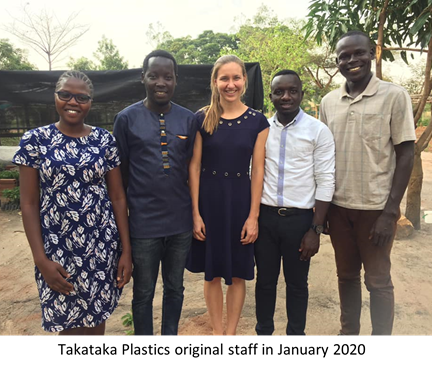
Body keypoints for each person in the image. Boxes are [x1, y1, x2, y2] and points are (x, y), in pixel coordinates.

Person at [13, 71, 133, 336]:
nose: (73, 102)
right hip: (57, 248)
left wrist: (126, 250)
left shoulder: (104, 140)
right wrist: (40, 259)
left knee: (96, 319)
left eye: (81, 97)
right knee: (68, 323)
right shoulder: (35, 141)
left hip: (100, 245)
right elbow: (30, 203)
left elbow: (117, 196)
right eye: (65, 95)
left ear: (90, 102)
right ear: (55, 97)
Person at [320, 31, 416, 336]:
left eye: (357, 53)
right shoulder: (328, 102)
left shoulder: (394, 96)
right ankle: (348, 332)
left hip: (375, 210)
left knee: (377, 281)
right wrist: (322, 211)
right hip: (338, 208)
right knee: (346, 277)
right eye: (343, 57)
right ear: (337, 63)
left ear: (372, 53)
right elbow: (323, 157)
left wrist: (391, 213)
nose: (351, 61)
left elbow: (406, 154)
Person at [113, 50, 198, 336]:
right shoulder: (126, 119)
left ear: (176, 81)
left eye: (167, 77)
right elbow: (120, 175)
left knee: (175, 288)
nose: (160, 82)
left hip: (180, 225)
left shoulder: (188, 120)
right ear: (143, 78)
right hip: (143, 225)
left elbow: (193, 170)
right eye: (154, 76)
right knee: (144, 292)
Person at [186, 55, 270, 336]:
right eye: (224, 78)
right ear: (215, 82)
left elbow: (258, 170)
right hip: (209, 201)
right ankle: (216, 331)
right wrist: (195, 213)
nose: (230, 84)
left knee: (236, 273)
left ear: (244, 81)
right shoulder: (201, 118)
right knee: (212, 273)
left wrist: (253, 216)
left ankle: (231, 332)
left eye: (236, 78)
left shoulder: (258, 121)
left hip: (240, 201)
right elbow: (194, 166)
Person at [254, 70, 335, 336]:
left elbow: (325, 180)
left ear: (302, 93)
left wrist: (316, 229)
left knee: (297, 284)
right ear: (271, 96)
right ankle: (263, 330)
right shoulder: (261, 130)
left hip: (300, 222)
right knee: (264, 283)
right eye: (279, 92)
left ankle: (295, 333)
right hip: (265, 219)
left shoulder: (318, 131)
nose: (286, 97)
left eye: (292, 91)